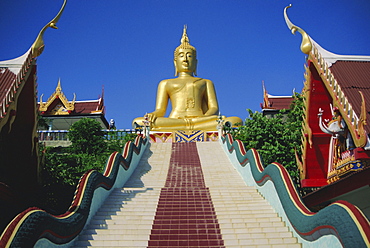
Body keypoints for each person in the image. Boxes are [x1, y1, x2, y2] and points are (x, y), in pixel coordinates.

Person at [132, 26, 242, 131]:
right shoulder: (165, 83)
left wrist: (204, 117)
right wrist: (153, 115)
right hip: (174, 120)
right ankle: (190, 126)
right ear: (175, 63)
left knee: (235, 120)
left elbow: (214, 108)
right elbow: (161, 110)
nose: (185, 59)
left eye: (189, 56)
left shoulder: (205, 82)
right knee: (139, 122)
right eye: (181, 56)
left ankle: (190, 126)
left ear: (196, 62)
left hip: (200, 120)